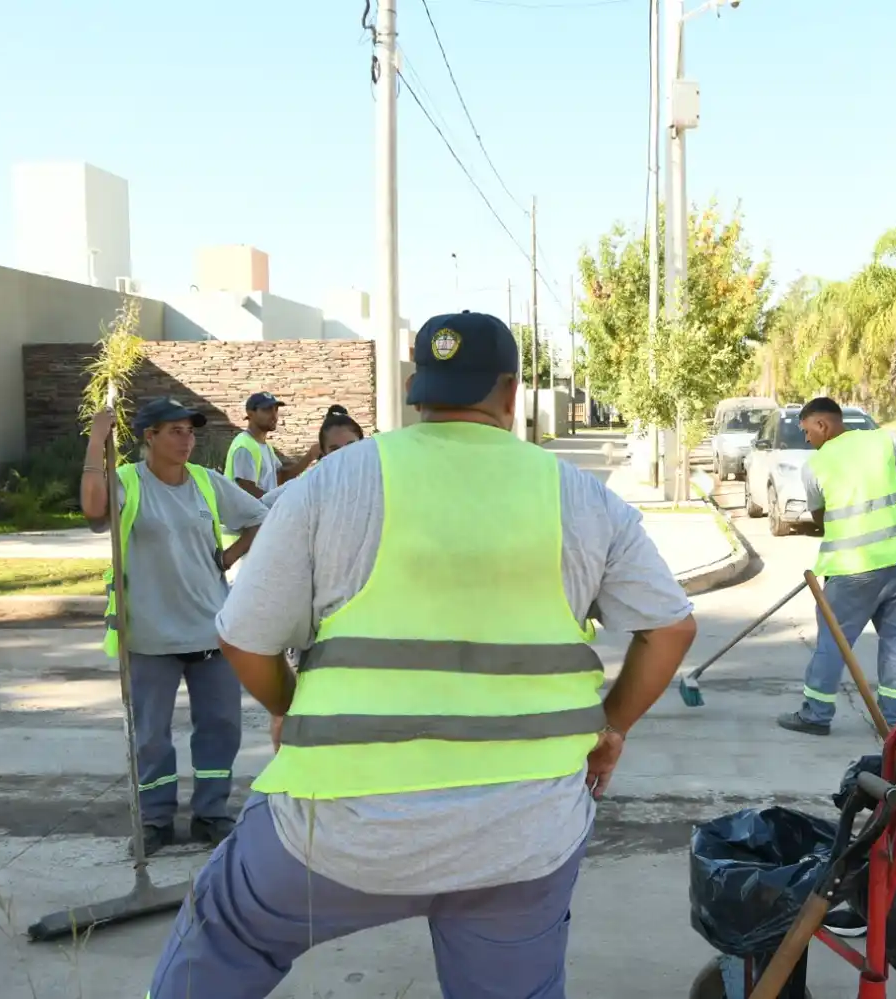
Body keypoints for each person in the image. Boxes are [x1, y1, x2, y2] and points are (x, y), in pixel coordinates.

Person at [145, 311, 698, 999]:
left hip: (338, 825)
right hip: (524, 831)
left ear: (414, 387)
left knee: (225, 930)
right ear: (512, 392)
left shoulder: (331, 483)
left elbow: (242, 635)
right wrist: (609, 727)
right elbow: (669, 628)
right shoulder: (584, 498)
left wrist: (291, 708)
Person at [80, 397, 269, 855]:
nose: (186, 440)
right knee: (150, 736)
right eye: (175, 431)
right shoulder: (127, 481)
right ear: (150, 436)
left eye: (190, 431)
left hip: (211, 628)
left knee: (221, 726)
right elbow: (92, 511)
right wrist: (96, 441)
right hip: (150, 634)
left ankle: (211, 814)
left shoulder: (207, 483)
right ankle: (155, 821)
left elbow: (261, 517)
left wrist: (228, 557)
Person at [777, 397, 896, 738]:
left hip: (853, 569)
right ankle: (895, 721)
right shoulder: (881, 439)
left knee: (834, 642)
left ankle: (816, 714)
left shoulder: (816, 466)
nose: (807, 440)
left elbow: (820, 519)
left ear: (823, 425)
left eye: (808, 431)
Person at [257, 404, 365, 511]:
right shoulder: (308, 486)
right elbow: (260, 507)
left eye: (350, 445)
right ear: (323, 451)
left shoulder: (376, 479)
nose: (343, 454)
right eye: (334, 449)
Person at [224, 391, 319, 499]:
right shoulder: (244, 446)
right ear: (250, 413)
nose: (274, 416)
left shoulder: (265, 446)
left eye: (275, 410)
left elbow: (281, 478)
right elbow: (247, 490)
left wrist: (310, 456)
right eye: (267, 410)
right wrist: (278, 505)